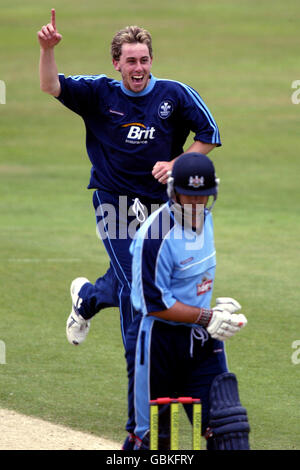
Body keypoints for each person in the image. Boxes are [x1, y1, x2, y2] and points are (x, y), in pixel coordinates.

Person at [37, 9, 222, 448]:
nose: (138, 69)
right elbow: (50, 85)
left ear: (150, 61)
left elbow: (210, 133)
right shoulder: (98, 93)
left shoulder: (174, 94)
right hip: (114, 206)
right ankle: (139, 426)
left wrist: (177, 163)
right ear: (116, 63)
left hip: (163, 208)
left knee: (130, 285)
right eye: (130, 61)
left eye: (144, 60)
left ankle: (87, 298)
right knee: (140, 301)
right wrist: (46, 51)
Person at [130, 152, 250, 450]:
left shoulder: (206, 220)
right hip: (158, 343)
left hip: (201, 342)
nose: (196, 206)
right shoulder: (155, 237)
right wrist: (208, 317)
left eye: (203, 198)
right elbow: (156, 304)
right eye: (188, 197)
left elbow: (193, 279)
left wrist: (215, 310)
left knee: (227, 429)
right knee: (155, 441)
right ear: (173, 193)